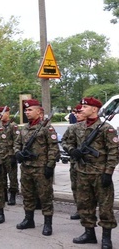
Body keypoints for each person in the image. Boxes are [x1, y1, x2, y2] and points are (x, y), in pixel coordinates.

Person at [65, 97, 118, 248]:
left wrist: (108, 172)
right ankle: (89, 234)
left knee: (105, 207)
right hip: (82, 171)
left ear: (94, 109)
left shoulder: (106, 128)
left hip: (100, 173)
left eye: (85, 106)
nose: (81, 109)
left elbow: (114, 151)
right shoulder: (77, 127)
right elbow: (66, 142)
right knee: (84, 205)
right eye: (81, 106)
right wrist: (72, 150)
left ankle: (106, 238)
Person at [14, 99, 59, 236]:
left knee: (45, 196)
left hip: (41, 168)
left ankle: (47, 223)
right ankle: (29, 219)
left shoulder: (47, 128)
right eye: (26, 110)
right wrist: (18, 153)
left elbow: (53, 148)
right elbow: (17, 144)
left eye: (30, 110)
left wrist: (50, 166)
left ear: (39, 112)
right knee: (27, 195)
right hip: (26, 168)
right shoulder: (24, 129)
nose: (27, 112)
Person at [61, 103, 84, 220]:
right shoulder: (73, 128)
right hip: (76, 163)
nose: (77, 115)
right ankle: (80, 210)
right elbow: (64, 141)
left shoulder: (98, 128)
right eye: (76, 112)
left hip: (93, 166)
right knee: (75, 187)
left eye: (79, 112)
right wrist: (71, 149)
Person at [0, 106, 19, 206]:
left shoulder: (13, 126)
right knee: (1, 177)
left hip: (10, 154)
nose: (1, 115)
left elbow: (17, 141)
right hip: (0, 155)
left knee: (12, 177)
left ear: (8, 113)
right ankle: (4, 194)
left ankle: (13, 195)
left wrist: (14, 154)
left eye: (3, 113)